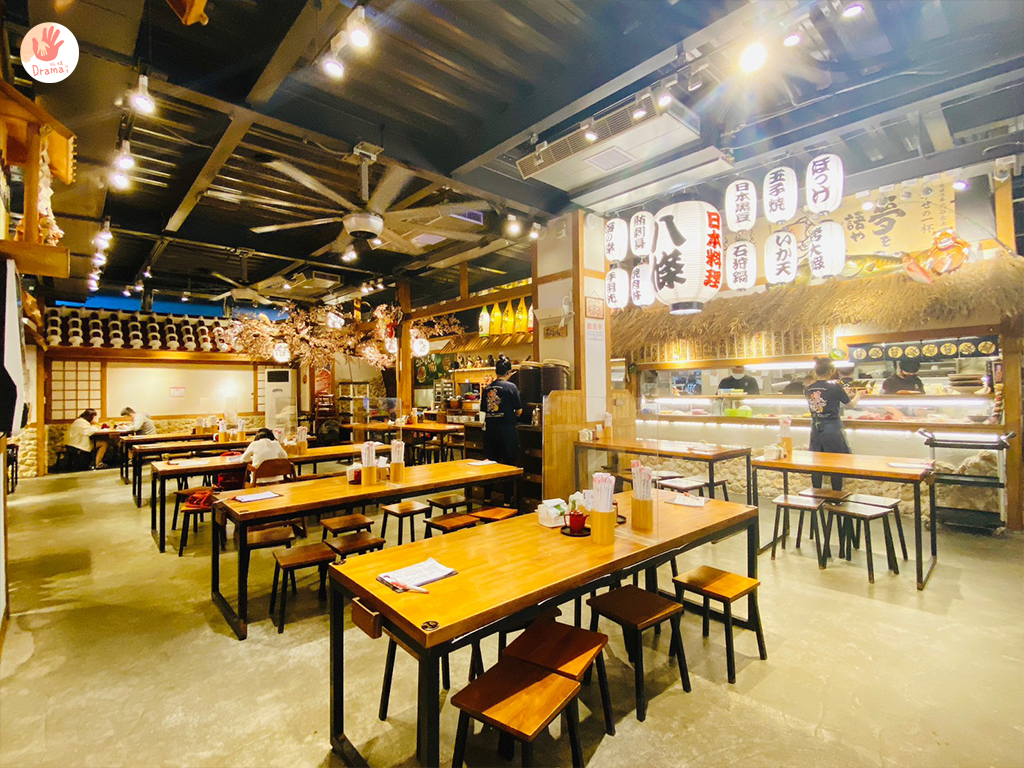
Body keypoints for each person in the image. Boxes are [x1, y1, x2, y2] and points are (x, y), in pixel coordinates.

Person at [805, 357, 862, 491]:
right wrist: (859, 395)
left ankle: (816, 493)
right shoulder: (835, 387)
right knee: (836, 463)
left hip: (816, 429)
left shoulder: (808, 389)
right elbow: (851, 405)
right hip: (832, 429)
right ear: (831, 371)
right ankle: (836, 495)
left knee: (816, 463)